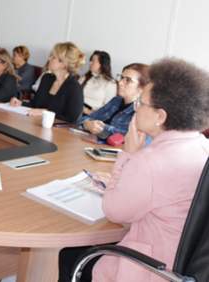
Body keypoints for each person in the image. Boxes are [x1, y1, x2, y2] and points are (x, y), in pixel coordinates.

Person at [58, 57, 209, 282]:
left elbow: (114, 211)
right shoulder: (202, 146)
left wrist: (128, 155)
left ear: (161, 116)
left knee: (69, 255)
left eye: (141, 103)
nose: (136, 108)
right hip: (184, 267)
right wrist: (123, 182)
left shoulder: (149, 161)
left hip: (150, 269)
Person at [10, 42, 85, 123]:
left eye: (53, 57)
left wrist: (45, 112)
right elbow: (35, 105)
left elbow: (71, 120)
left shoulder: (74, 89)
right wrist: (20, 103)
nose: (49, 59)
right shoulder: (46, 78)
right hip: (35, 124)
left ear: (62, 64)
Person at [77, 63, 150, 136]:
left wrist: (103, 127)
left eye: (128, 80)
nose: (120, 83)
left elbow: (131, 136)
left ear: (142, 88)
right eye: (121, 78)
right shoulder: (115, 101)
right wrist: (88, 124)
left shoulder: (142, 111)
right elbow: (84, 119)